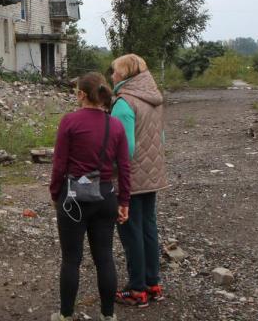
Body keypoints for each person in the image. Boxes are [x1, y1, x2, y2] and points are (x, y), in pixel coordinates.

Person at [49, 72, 131, 321]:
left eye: (76, 92)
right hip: (105, 196)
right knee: (104, 257)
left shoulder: (69, 122)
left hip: (73, 196)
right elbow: (124, 166)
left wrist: (55, 194)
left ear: (82, 94)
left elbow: (59, 164)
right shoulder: (115, 124)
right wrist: (124, 200)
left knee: (71, 259)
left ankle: (65, 315)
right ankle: (108, 316)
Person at [109, 54, 167, 308]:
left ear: (125, 75)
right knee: (148, 229)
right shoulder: (154, 99)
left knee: (131, 232)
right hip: (152, 174)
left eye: (115, 72)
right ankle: (153, 284)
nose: (112, 76)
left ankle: (136, 289)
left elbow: (125, 147)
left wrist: (109, 174)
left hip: (131, 177)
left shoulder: (124, 102)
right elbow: (160, 138)